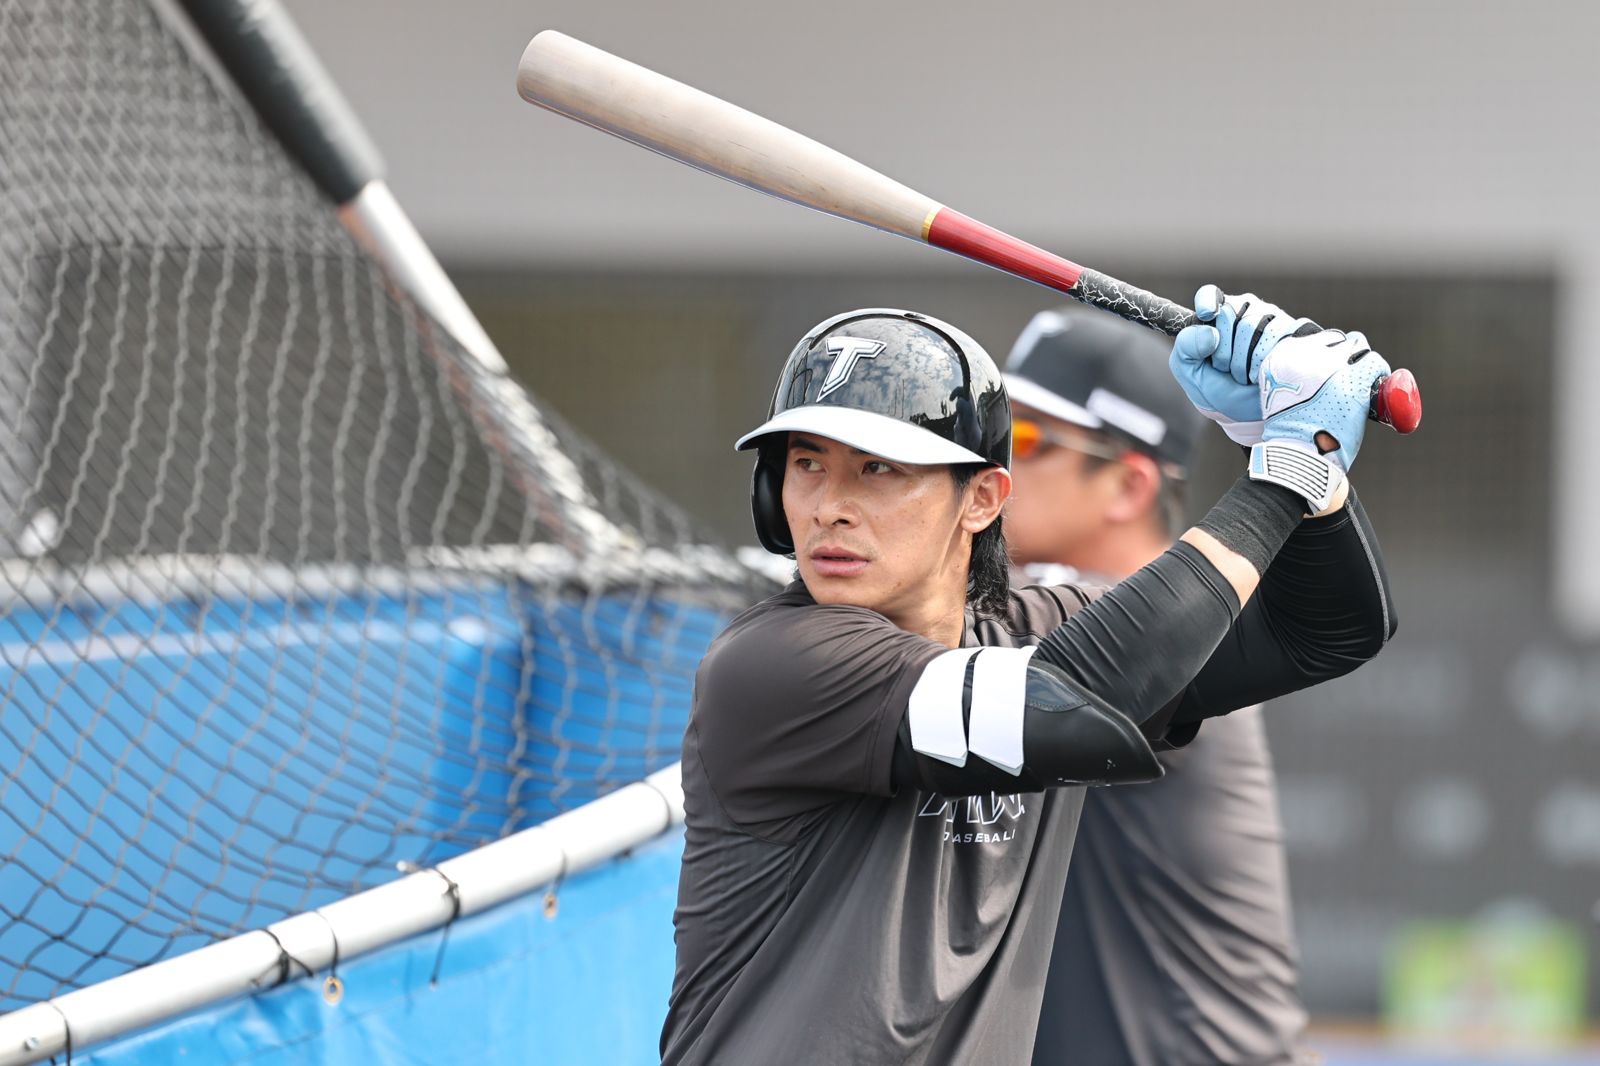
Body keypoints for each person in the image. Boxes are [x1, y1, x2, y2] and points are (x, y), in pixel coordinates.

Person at [660, 293, 1398, 1066]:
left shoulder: (1033, 631)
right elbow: (1071, 701)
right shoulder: (775, 664)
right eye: (806, 465)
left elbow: (1325, 630)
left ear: (982, 498)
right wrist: (1286, 465)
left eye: (878, 469)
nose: (829, 508)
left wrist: (1314, 478)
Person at [1004, 307, 1308, 1066]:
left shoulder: (1132, 636)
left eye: (1024, 441)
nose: (987, 470)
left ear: (1128, 486)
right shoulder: (1050, 605)